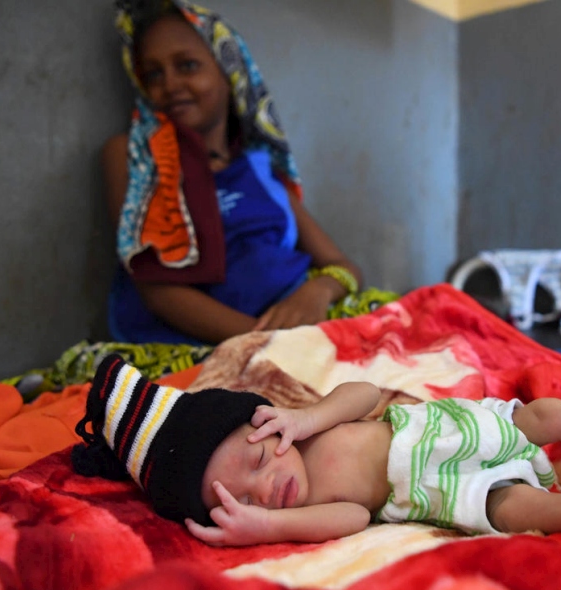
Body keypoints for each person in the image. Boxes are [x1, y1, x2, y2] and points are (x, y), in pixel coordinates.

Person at [73, 355, 561, 549]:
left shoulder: (306, 429)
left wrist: (309, 414)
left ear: (264, 422)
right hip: (445, 490)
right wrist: (266, 526)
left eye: (258, 463)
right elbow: (353, 519)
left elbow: (366, 391)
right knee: (511, 508)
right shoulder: (312, 501)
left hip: (469, 429)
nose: (265, 488)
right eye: (238, 500)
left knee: (548, 415)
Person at [101, 1, 397, 345]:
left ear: (231, 75)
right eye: (153, 74)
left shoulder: (261, 172)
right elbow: (158, 290)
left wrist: (316, 292)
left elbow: (343, 266)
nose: (170, 84)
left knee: (427, 315)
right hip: (222, 342)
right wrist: (265, 341)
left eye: (187, 66)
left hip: (299, 326)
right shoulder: (134, 160)